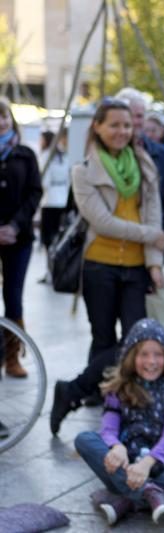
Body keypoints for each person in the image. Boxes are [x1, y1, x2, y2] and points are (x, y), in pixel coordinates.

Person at [50, 98, 164, 435]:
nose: (121, 131)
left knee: (133, 341)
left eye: (127, 125)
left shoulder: (144, 164)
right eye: (114, 125)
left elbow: (154, 212)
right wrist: (152, 236)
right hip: (99, 265)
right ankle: (111, 409)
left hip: (136, 268)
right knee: (103, 339)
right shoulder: (83, 170)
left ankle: (71, 391)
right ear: (97, 127)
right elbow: (101, 222)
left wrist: (154, 262)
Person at [74, 318, 164, 526]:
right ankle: (154, 495)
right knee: (84, 439)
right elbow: (108, 428)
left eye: (158, 354)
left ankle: (129, 499)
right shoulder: (118, 388)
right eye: (144, 354)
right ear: (132, 357)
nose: (151, 361)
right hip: (127, 467)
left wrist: (147, 463)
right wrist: (116, 446)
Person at [0, 97, 42, 378]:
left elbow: (34, 193)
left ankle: (12, 357)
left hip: (20, 238)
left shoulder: (25, 154)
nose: (0, 123)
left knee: (13, 297)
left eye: (3, 117)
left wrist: (15, 226)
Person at [115, 88, 164, 230]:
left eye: (139, 116)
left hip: (154, 235)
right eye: (129, 115)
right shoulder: (101, 156)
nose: (135, 121)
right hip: (113, 236)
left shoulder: (163, 155)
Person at [38, 130, 70, 265]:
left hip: (49, 201)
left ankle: (50, 269)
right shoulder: (64, 156)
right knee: (60, 236)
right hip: (63, 200)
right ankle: (58, 266)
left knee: (48, 239)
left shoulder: (46, 156)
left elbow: (44, 181)